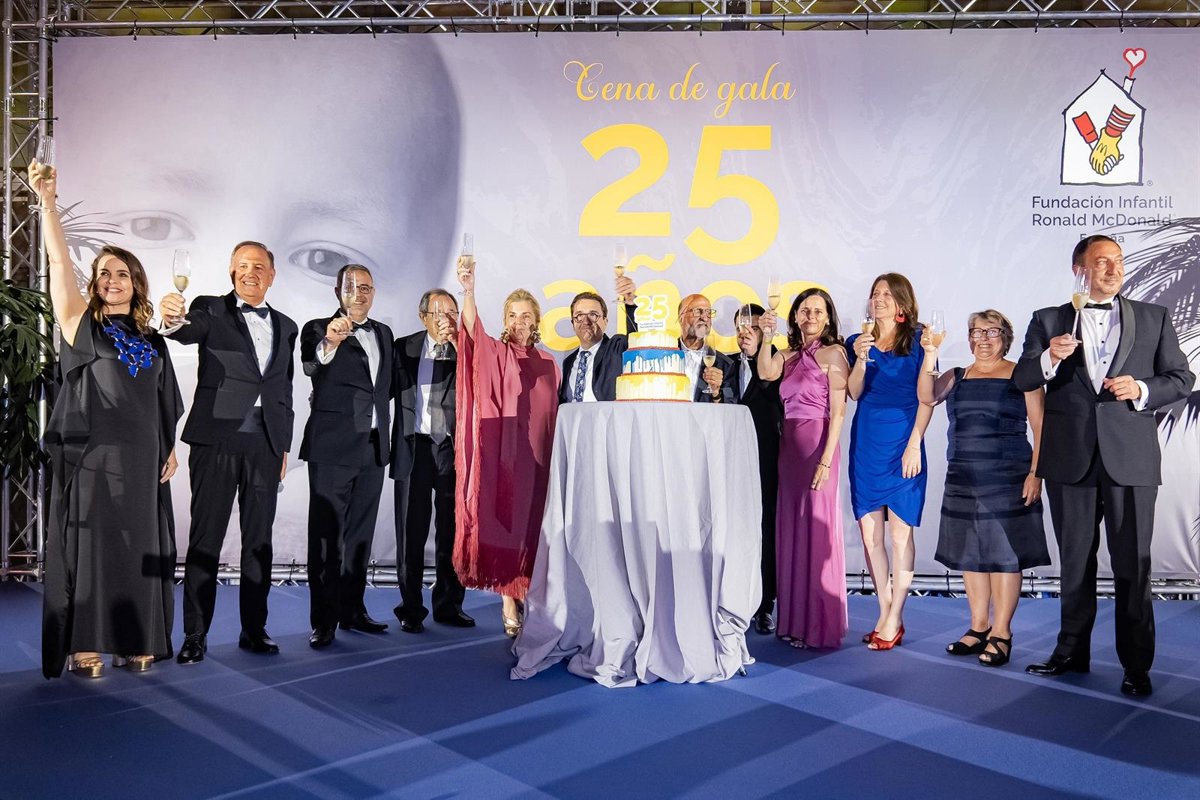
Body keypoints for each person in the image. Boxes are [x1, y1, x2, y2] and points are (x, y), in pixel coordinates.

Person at [1014, 235, 1193, 696]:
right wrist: (1050, 357)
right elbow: (1023, 377)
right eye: (1101, 262)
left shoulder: (1154, 317)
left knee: (1133, 565)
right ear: (1080, 269)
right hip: (1069, 460)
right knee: (1075, 564)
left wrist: (1142, 389)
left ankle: (1136, 665)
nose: (1113, 270)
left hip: (1130, 460)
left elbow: (1181, 378)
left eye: (1118, 261)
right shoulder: (1048, 319)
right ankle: (1070, 652)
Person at [33, 162, 182, 678]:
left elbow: (163, 400)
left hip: (143, 457)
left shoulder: (154, 340)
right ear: (94, 285)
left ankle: (135, 638)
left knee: (139, 546)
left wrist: (169, 446)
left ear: (135, 283)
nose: (112, 280)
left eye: (122, 273)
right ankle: (85, 644)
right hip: (93, 454)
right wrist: (48, 202)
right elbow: (57, 260)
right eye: (104, 274)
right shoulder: (81, 326)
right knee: (94, 547)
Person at [159, 241, 298, 663]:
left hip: (264, 445)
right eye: (242, 265)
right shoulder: (211, 308)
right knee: (206, 537)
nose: (250, 272)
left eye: (258, 266)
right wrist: (171, 318)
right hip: (215, 441)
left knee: (259, 541)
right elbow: (186, 329)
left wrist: (282, 445)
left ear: (272, 275)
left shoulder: (288, 325)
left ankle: (254, 630)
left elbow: (284, 389)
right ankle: (195, 634)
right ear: (231, 271)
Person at [918, 310, 1050, 667]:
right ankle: (978, 627)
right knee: (970, 553)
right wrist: (930, 354)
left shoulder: (1023, 375)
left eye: (992, 332)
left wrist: (1036, 473)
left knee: (1005, 556)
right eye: (977, 332)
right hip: (963, 475)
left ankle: (1001, 633)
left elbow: (1041, 426)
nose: (984, 339)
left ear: (1005, 337)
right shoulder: (957, 376)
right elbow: (927, 397)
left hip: (1009, 475)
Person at [454, 258, 561, 636]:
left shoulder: (549, 362)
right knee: (506, 524)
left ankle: (529, 590)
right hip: (506, 457)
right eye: (512, 315)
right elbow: (472, 330)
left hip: (540, 460)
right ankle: (507, 597)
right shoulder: (496, 353)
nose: (519, 322)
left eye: (525, 315)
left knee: (534, 527)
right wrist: (469, 291)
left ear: (536, 321)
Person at [299, 265, 394, 648]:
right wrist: (331, 341)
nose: (360, 293)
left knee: (359, 537)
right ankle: (324, 620)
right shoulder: (317, 328)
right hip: (332, 449)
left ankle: (353, 610)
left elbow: (384, 388)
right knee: (326, 538)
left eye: (367, 287)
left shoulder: (383, 333)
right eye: (353, 287)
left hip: (373, 448)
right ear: (338, 292)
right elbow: (311, 364)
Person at [846, 273, 933, 650]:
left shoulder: (920, 339)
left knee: (900, 535)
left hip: (903, 442)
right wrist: (861, 359)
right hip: (867, 443)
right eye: (875, 293)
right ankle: (885, 612)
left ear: (902, 302)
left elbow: (927, 398)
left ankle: (895, 615)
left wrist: (915, 444)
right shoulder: (857, 341)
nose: (878, 299)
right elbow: (853, 392)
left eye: (886, 294)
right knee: (870, 536)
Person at [759, 290, 850, 648]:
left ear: (827, 318)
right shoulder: (787, 355)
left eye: (818, 310)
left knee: (815, 531)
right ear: (795, 316)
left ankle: (818, 625)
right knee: (793, 532)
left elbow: (839, 412)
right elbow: (765, 371)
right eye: (804, 310)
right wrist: (767, 335)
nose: (810, 316)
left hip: (818, 447)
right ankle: (794, 622)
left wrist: (826, 460)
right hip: (789, 452)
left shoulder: (834, 353)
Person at [390, 289, 474, 633]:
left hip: (453, 449)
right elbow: (381, 389)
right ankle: (410, 608)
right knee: (410, 530)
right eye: (437, 312)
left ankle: (449, 605)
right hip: (415, 448)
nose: (444, 318)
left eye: (451, 311)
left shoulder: (467, 349)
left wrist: (458, 347)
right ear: (422, 316)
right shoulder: (403, 348)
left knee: (452, 531)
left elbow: (484, 384)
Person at [729, 303, 785, 634]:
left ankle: (765, 605)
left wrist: (755, 356)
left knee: (765, 529)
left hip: (766, 457)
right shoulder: (722, 363)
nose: (745, 332)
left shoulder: (779, 360)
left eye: (753, 326)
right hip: (729, 460)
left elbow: (773, 393)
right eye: (741, 326)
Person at [557, 277, 638, 403]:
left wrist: (630, 304)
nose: (586, 321)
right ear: (573, 323)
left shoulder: (617, 348)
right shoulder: (568, 362)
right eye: (579, 315)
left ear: (605, 321)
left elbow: (636, 341)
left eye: (593, 315)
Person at [678, 294, 736, 403]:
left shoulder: (725, 365)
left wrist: (716, 393)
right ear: (681, 318)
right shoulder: (663, 356)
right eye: (698, 311)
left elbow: (730, 407)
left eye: (708, 313)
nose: (704, 318)